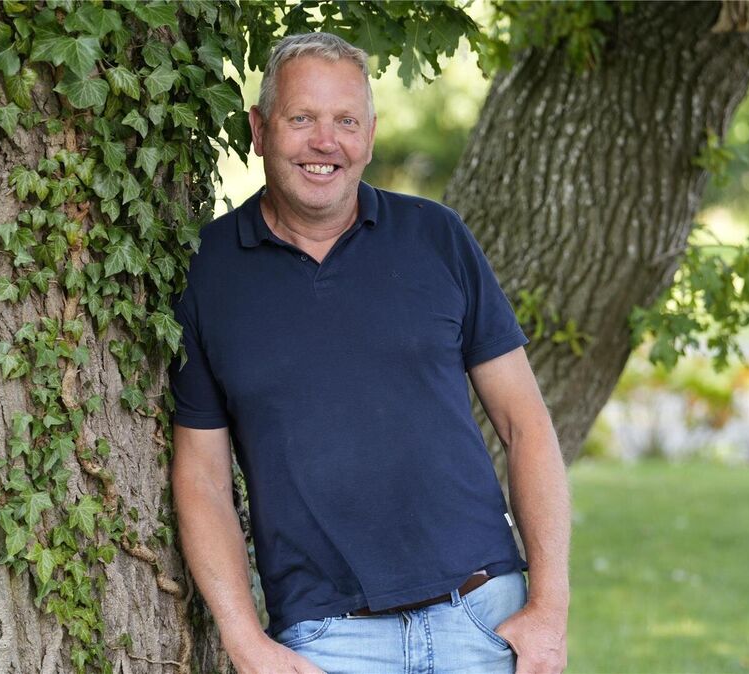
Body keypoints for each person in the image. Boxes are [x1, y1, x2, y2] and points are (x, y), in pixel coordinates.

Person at [169, 32, 570, 674]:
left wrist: (549, 609)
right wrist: (245, 643)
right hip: (327, 642)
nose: (326, 142)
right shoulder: (207, 273)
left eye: (346, 121)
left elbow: (526, 426)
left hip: (483, 619)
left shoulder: (436, 238)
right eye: (302, 119)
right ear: (259, 128)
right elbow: (203, 480)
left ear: (371, 135)